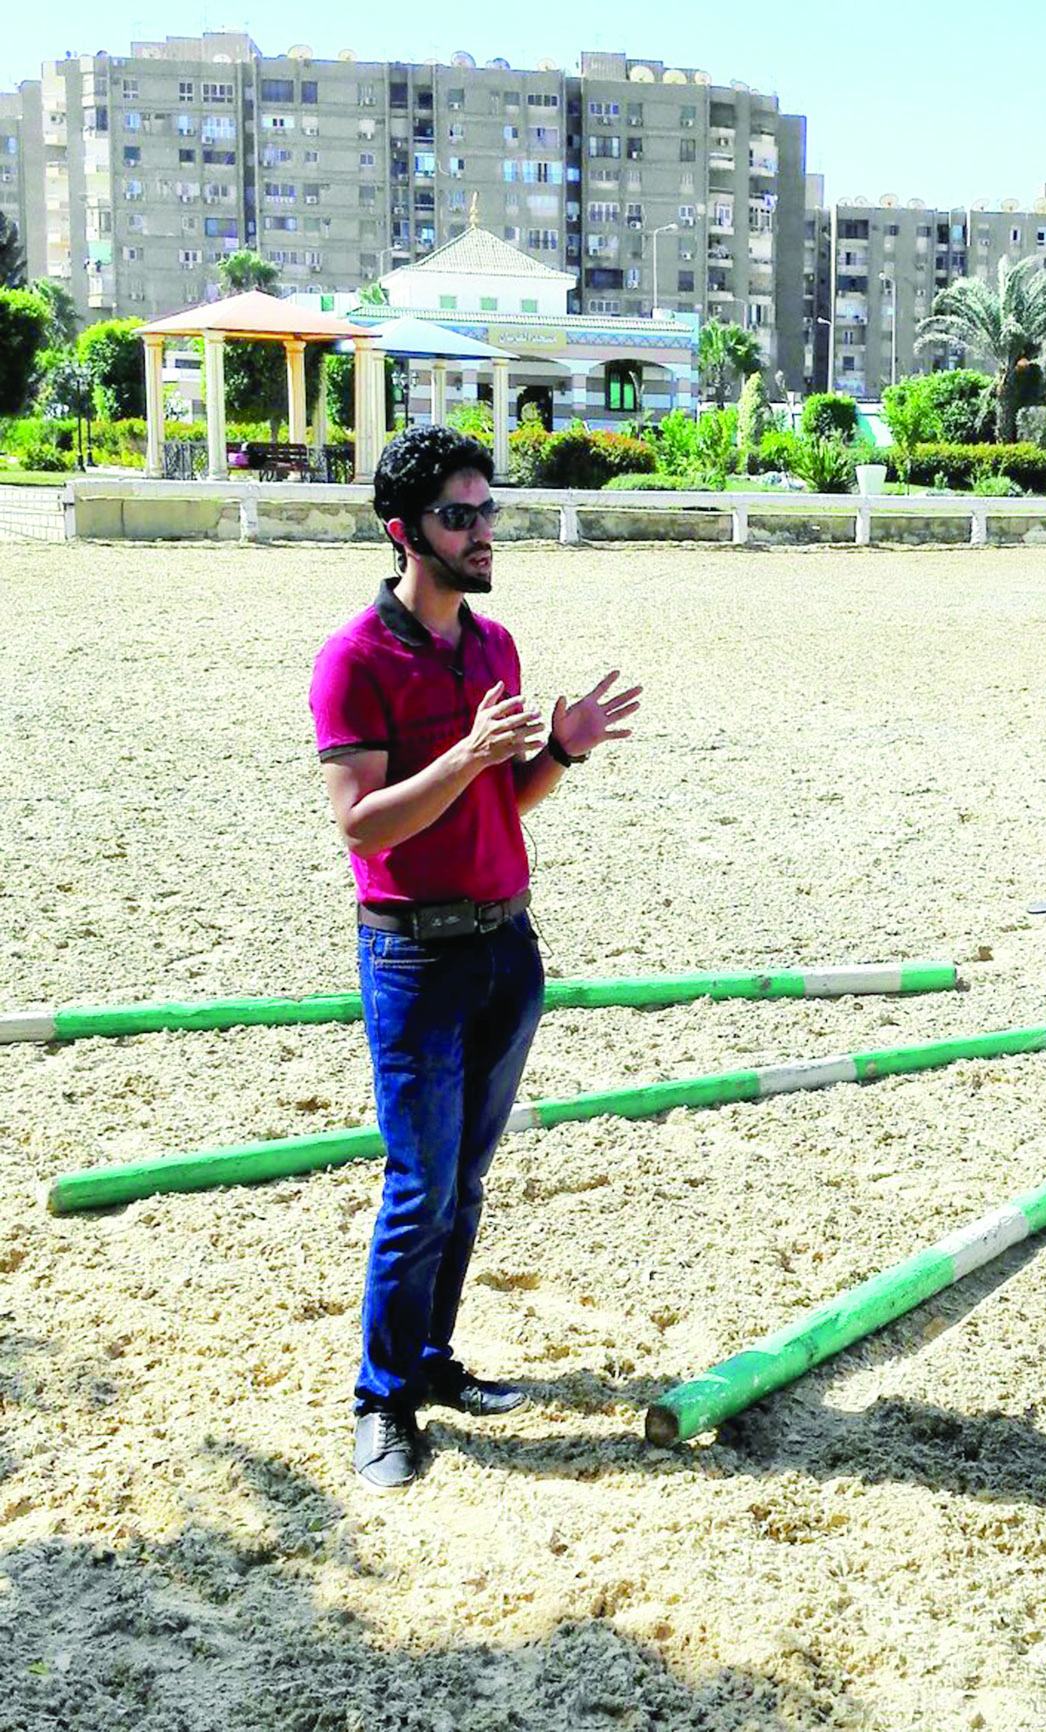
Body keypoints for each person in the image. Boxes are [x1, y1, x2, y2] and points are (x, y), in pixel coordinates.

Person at [309, 425, 641, 1489]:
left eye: (488, 509)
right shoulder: (354, 661)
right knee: (418, 1188)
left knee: (464, 1183)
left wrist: (560, 752)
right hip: (413, 960)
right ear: (404, 532)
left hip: (506, 946)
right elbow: (363, 828)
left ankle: (431, 1360)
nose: (484, 530)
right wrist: (463, 756)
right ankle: (381, 1400)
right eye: (460, 516)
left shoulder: (495, 647)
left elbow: (503, 798)